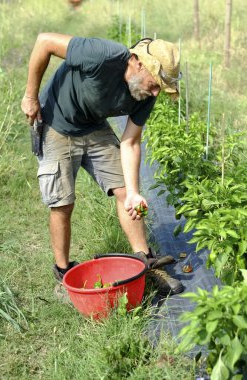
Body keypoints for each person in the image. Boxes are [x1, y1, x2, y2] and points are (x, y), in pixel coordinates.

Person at [21, 33, 183, 297]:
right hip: (56, 122)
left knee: (124, 191)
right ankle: (63, 274)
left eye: (160, 89)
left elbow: (130, 142)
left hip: (94, 128)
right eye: (155, 84)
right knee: (62, 201)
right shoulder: (101, 54)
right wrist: (30, 96)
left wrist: (132, 192)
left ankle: (146, 262)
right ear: (138, 63)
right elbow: (43, 42)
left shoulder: (146, 94)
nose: (155, 93)